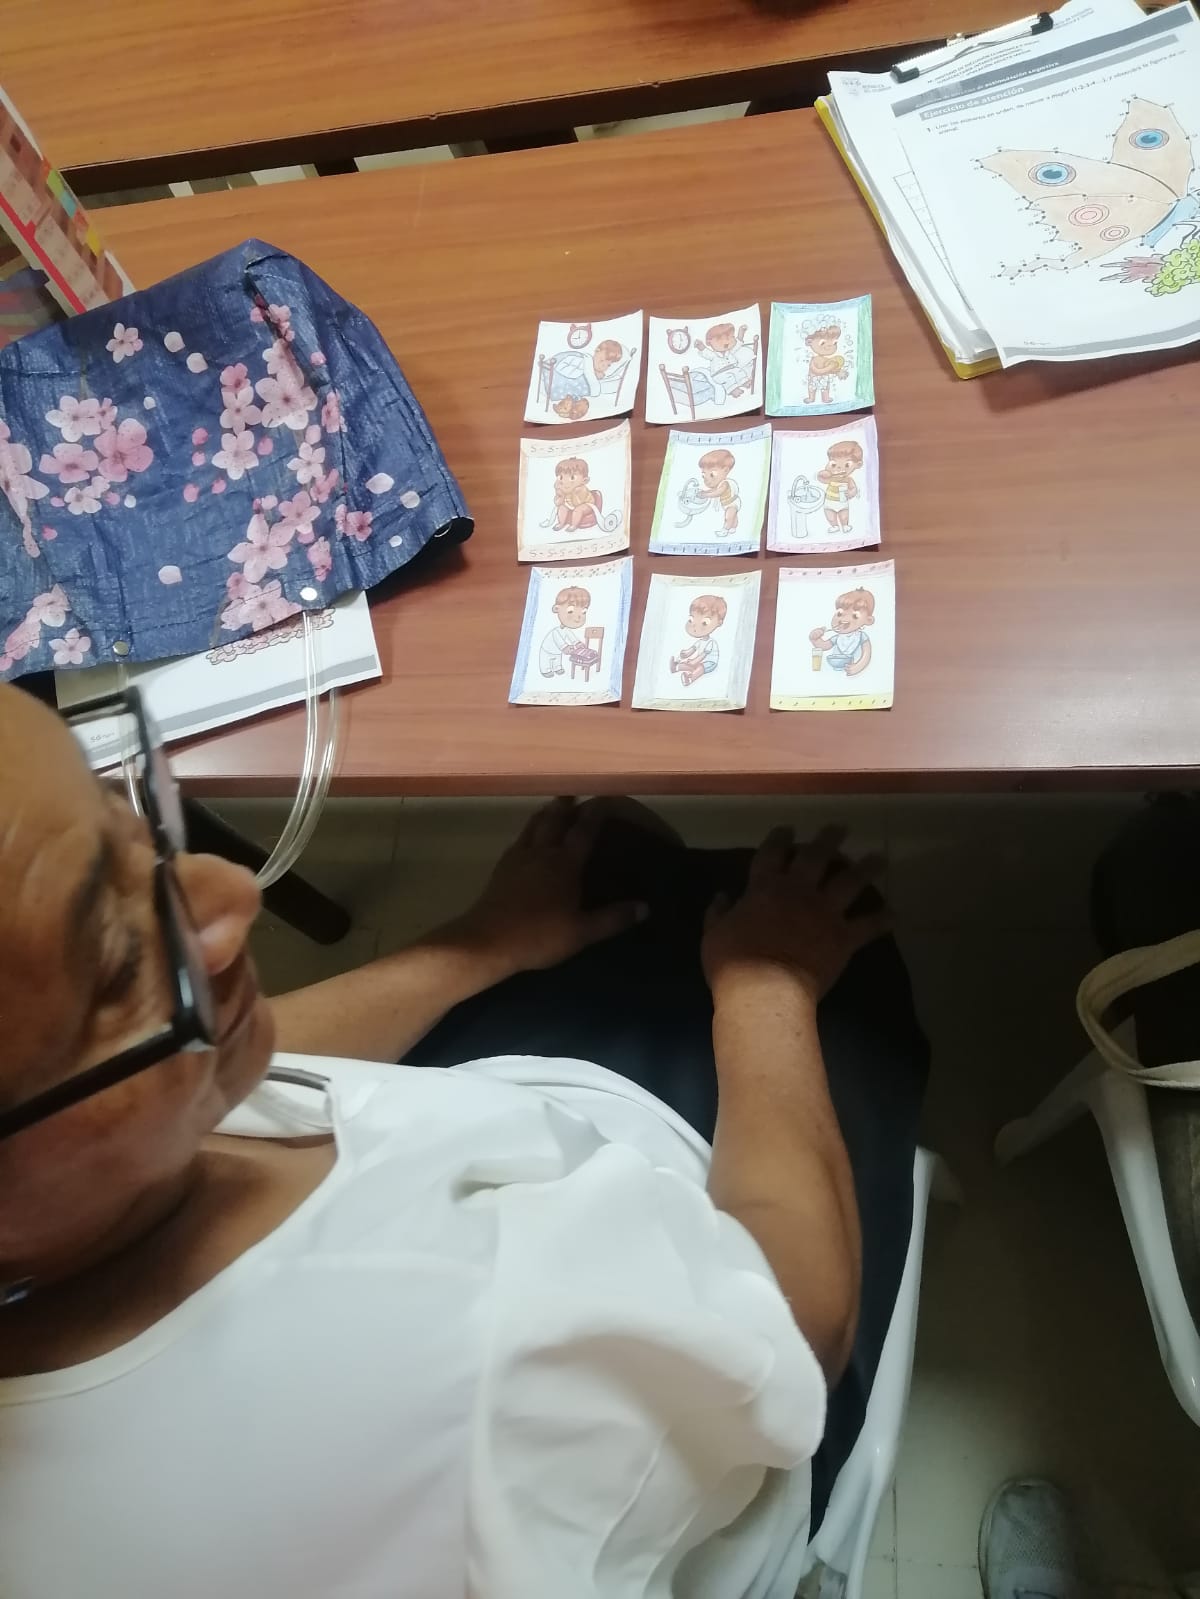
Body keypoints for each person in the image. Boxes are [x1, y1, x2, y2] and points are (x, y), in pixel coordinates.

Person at [0, 684, 928, 1599]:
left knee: (611, 838)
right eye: (118, 958)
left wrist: (480, 944)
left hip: (516, 1136)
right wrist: (767, 985)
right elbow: (792, 1317)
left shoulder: (93, 1180)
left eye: (130, 827)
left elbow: (243, 1082)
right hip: (741, 1305)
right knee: (828, 938)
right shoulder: (472, 1354)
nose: (232, 890)